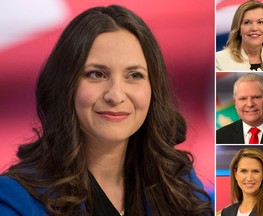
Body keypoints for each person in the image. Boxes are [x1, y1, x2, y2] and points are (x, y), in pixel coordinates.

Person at [0, 5, 213, 216]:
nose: (115, 95)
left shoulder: (180, 185)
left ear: (153, 88)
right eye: (96, 74)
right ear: (64, 86)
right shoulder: (15, 199)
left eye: (134, 75)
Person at [216, 0, 263, 71]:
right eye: (247, 22)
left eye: (260, 22)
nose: (254, 28)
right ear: (238, 28)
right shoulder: (220, 59)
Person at [216, 73, 263, 144]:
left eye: (256, 97)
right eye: (243, 99)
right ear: (235, 102)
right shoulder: (220, 136)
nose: (250, 104)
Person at [221, 148, 263, 216]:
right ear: (235, 174)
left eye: (255, 171)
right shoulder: (226, 212)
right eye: (244, 171)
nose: (249, 178)